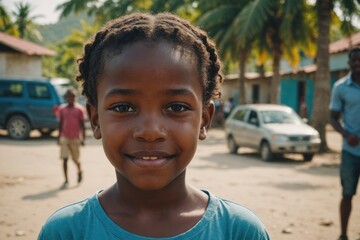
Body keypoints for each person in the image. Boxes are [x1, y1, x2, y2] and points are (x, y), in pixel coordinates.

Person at [38, 12, 269, 240]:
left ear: (204, 120)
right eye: (123, 108)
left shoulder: (239, 231)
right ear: (95, 119)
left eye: (176, 107)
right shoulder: (67, 232)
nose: (150, 131)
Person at [329, 47, 360, 240]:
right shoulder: (340, 87)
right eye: (354, 61)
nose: (357, 64)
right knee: (347, 194)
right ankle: (343, 234)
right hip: (351, 151)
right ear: (349, 64)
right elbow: (332, 118)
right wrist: (346, 134)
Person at [57, 88, 86, 188]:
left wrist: (83, 139)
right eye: (69, 97)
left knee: (75, 159)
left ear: (75, 98)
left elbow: (82, 125)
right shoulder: (62, 109)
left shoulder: (79, 110)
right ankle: (66, 180)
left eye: (73, 96)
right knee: (64, 159)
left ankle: (79, 171)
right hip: (64, 137)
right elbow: (60, 124)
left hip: (75, 138)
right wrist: (58, 137)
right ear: (66, 98)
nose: (71, 98)